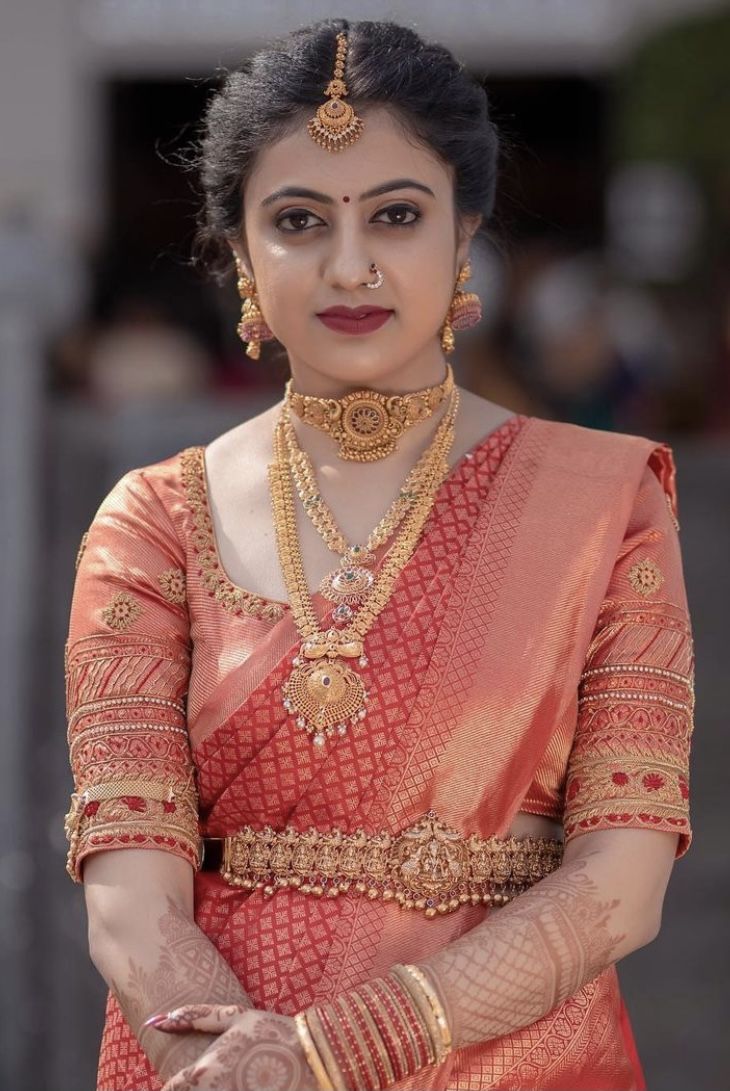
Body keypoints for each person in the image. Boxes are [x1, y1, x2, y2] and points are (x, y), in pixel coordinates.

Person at [63, 18, 695, 1091]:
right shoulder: (154, 521)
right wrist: (236, 1068)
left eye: (395, 216)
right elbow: (129, 892)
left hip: (513, 1060)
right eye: (298, 220)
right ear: (238, 251)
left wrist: (331, 1052)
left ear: (463, 236)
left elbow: (620, 882)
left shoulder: (603, 504)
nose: (349, 264)